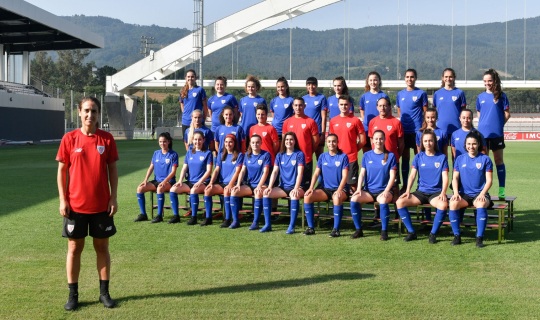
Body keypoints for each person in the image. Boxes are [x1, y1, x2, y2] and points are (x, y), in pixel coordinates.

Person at [56, 97, 119, 310]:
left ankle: (104, 293)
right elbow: (62, 171)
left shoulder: (107, 139)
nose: (90, 115)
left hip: (101, 205)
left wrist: (113, 197)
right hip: (75, 206)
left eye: (93, 111)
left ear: (98, 114)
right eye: (86, 110)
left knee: (102, 247)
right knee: (74, 248)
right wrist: (63, 200)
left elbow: (112, 170)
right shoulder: (69, 139)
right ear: (79, 112)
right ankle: (73, 295)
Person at [396, 130, 449, 243]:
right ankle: (411, 232)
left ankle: (433, 234)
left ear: (435, 142)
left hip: (435, 193)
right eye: (425, 141)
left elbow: (445, 177)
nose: (428, 143)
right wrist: (408, 190)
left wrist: (443, 192)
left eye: (430, 140)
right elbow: (412, 175)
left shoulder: (442, 157)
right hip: (421, 192)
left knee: (443, 205)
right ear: (422, 143)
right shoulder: (418, 157)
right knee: (399, 202)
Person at [349, 130, 397, 240]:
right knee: (354, 199)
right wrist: (358, 189)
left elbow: (393, 176)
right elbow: (362, 173)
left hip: (384, 190)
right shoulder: (366, 155)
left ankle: (384, 231)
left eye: (381, 138)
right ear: (372, 140)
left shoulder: (390, 156)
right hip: (369, 191)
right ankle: (358, 229)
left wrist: (386, 191)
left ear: (384, 140)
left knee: (383, 201)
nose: (378, 141)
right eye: (376, 139)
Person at [449, 131, 494, 248]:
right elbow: (455, 178)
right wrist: (455, 193)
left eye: (474, 144)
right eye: (469, 144)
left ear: (478, 144)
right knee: (453, 203)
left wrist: (483, 193)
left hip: (480, 194)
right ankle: (457, 236)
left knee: (481, 203)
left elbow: (489, 180)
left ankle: (479, 238)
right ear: (465, 145)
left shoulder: (485, 159)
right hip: (464, 195)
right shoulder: (459, 159)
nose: (471, 146)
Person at [303, 134, 349, 237]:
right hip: (325, 189)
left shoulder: (343, 157)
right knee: (307, 196)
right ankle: (311, 228)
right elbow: (316, 173)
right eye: (329, 142)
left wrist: (339, 189)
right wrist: (311, 188)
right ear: (326, 144)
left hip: (341, 189)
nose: (331, 143)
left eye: (333, 141)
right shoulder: (322, 156)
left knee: (336, 198)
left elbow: (345, 176)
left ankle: (336, 229)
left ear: (337, 143)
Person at [476, 68, 511, 198]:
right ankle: (483, 191)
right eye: (485, 81)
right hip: (483, 136)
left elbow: (507, 114)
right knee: (484, 162)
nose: (487, 83)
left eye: (489, 80)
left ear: (494, 81)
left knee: (498, 160)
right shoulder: (480, 97)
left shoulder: (501, 96)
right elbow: (480, 115)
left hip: (497, 135)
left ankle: (501, 189)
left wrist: (498, 125)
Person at [263, 132, 305, 233]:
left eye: (291, 139)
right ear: (284, 141)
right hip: (283, 187)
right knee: (266, 193)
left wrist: (296, 187)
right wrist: (269, 186)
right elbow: (275, 172)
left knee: (294, 196)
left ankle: (292, 226)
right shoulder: (280, 155)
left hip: (297, 186)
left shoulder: (299, 154)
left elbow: (300, 173)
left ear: (295, 141)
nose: (289, 141)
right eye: (286, 140)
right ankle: (267, 224)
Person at [169, 131, 213, 225]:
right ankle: (176, 216)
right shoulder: (189, 152)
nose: (197, 142)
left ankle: (194, 217)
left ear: (203, 140)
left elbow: (209, 171)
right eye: (195, 139)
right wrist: (180, 180)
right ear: (192, 140)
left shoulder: (208, 153)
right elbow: (184, 167)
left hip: (203, 182)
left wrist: (200, 182)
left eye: (200, 139)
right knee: (173, 189)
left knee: (193, 191)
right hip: (190, 181)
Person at [134, 132, 178, 222]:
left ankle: (159, 216)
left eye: (164, 141)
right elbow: (151, 167)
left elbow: (173, 172)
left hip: (169, 182)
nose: (162, 143)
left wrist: (165, 181)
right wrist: (145, 180)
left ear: (169, 142)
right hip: (156, 180)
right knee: (140, 188)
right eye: (160, 141)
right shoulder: (156, 153)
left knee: (159, 189)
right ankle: (143, 214)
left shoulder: (173, 154)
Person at [230, 134, 271, 229]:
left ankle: (255, 222)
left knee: (258, 193)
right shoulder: (247, 155)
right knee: (234, 191)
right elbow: (242, 171)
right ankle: (235, 221)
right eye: (253, 142)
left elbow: (266, 172)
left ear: (261, 143)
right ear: (250, 144)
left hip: (262, 184)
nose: (255, 144)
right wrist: (238, 184)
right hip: (249, 185)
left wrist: (259, 186)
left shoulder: (266, 155)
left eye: (257, 142)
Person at [396, 69, 428, 191]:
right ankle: (405, 185)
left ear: (415, 78)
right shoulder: (400, 94)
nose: (409, 79)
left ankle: (421, 185)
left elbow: (425, 111)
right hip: (404, 131)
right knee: (405, 158)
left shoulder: (421, 93)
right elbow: (400, 110)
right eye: (407, 77)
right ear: (404, 78)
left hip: (417, 131)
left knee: (419, 157)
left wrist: (423, 127)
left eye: (412, 77)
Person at [204, 134, 244, 228]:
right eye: (226, 142)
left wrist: (230, 184)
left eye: (230, 142)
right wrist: (211, 183)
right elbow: (216, 170)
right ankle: (208, 218)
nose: (228, 144)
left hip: (233, 183)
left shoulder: (239, 155)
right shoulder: (221, 154)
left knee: (226, 190)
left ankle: (227, 219)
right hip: (222, 183)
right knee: (207, 190)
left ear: (234, 143)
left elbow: (238, 172)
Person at [329, 94, 366, 191]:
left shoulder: (355, 120)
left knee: (353, 186)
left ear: (350, 105)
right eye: (341, 104)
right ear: (338, 105)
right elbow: (331, 140)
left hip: (351, 158)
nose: (343, 106)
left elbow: (363, 140)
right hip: (337, 158)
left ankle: (355, 205)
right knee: (337, 186)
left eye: (346, 104)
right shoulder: (333, 121)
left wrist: (353, 149)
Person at [282, 97, 319, 189]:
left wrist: (308, 151)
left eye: (300, 105)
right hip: (290, 160)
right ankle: (293, 204)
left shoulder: (310, 122)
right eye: (296, 105)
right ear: (292, 106)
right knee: (291, 187)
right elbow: (284, 140)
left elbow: (316, 141)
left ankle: (305, 203)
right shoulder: (287, 122)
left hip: (306, 159)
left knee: (305, 188)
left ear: (304, 106)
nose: (298, 108)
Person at [432, 68, 467, 142]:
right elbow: (434, 111)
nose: (448, 79)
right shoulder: (437, 94)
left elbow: (464, 112)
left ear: (454, 78)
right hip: (440, 128)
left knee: (456, 153)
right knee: (440, 153)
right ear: (443, 78)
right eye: (446, 76)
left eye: (450, 76)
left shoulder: (460, 93)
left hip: (456, 128)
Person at [359, 71, 389, 152]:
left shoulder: (384, 96)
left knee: (380, 151)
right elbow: (362, 110)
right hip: (367, 128)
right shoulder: (364, 96)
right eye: (371, 80)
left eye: (375, 80)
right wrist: (365, 121)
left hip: (380, 128)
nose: (373, 82)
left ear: (379, 81)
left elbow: (388, 112)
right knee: (367, 152)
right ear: (368, 82)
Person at [303, 77, 328, 159]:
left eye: (313, 84)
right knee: (306, 157)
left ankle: (322, 172)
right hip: (306, 132)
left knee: (320, 158)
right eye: (309, 84)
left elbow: (324, 117)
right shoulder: (303, 98)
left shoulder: (322, 98)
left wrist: (323, 133)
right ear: (306, 86)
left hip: (318, 132)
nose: (311, 86)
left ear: (316, 86)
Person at [179, 69, 207, 138]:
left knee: (199, 142)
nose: (190, 78)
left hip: (198, 122)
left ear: (195, 78)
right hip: (186, 122)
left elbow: (205, 106)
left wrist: (203, 118)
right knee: (187, 143)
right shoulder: (182, 91)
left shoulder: (200, 90)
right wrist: (187, 116)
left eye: (192, 76)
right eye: (188, 77)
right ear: (185, 78)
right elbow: (182, 106)